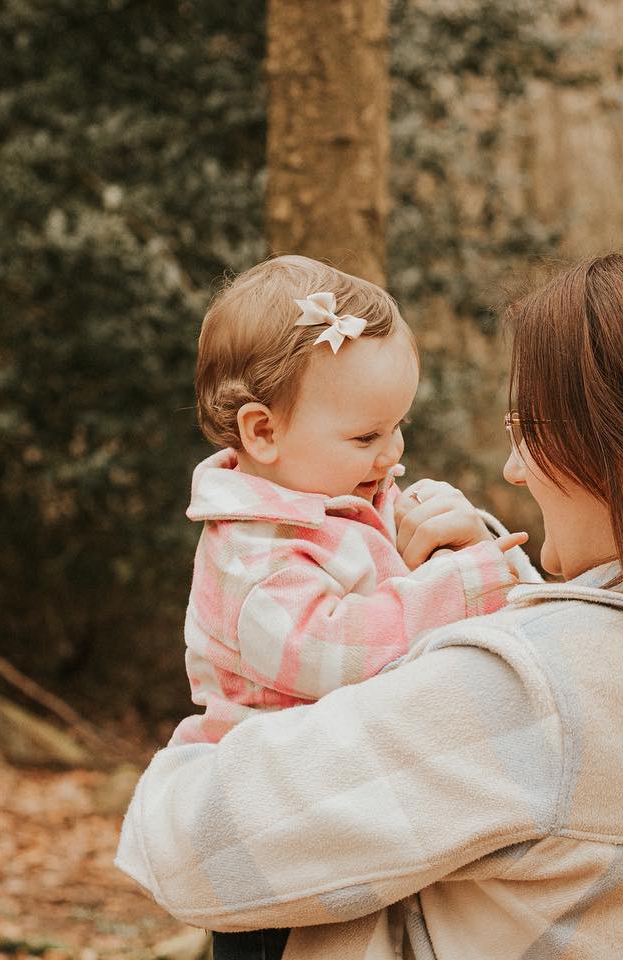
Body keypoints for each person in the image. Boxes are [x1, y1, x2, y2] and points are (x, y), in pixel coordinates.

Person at [118, 247, 623, 959]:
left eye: (532, 433)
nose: (512, 470)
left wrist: (188, 763)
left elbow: (196, 852)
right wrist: (465, 560)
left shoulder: (533, 692)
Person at [169, 254, 533, 959]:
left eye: (397, 427)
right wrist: (458, 587)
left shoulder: (341, 501)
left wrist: (468, 546)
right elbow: (326, 652)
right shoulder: (253, 549)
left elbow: (509, 602)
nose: (392, 454)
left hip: (339, 807)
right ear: (262, 432)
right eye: (366, 437)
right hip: (269, 824)